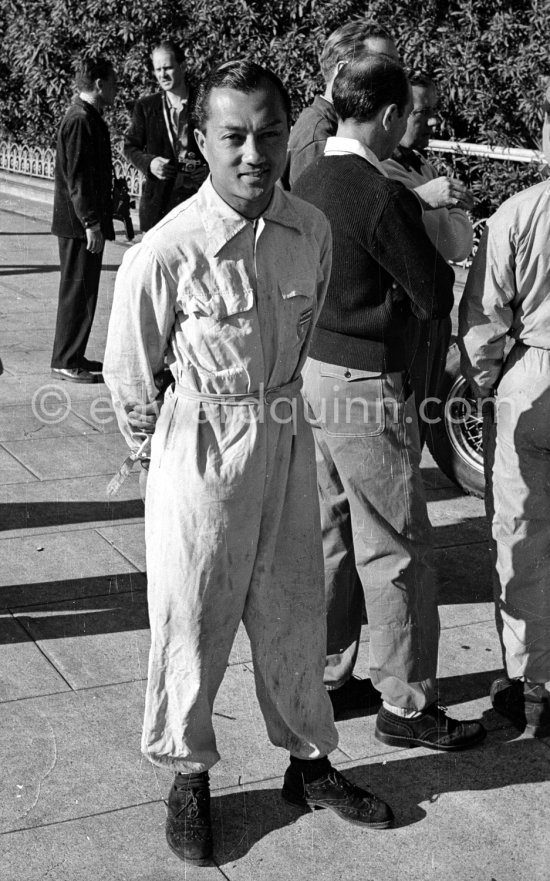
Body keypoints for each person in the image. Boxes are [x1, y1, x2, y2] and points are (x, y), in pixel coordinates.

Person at [104, 60, 394, 867]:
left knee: (296, 604)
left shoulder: (311, 230)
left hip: (284, 428)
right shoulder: (166, 250)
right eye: (233, 135)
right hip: (201, 447)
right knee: (193, 614)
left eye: (269, 133)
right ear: (202, 141)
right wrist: (154, 456)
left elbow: (303, 333)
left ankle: (309, 763)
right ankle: (188, 775)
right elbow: (130, 369)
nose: (255, 152)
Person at [293, 55, 486, 750]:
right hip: (368, 385)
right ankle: (405, 703)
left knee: (331, 533)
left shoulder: (310, 177)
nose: (412, 123)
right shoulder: (379, 195)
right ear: (385, 116)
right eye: (407, 112)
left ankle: (328, 671)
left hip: (315, 374)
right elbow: (434, 292)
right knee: (398, 547)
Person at [458, 84, 550, 739]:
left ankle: (531, 686)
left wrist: (484, 385)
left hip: (532, 376)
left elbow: (486, 322)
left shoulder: (519, 212)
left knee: (522, 536)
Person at [383, 72, 474, 443]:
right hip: (409, 319)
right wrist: (442, 205)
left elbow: (457, 241)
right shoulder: (388, 172)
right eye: (422, 112)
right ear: (398, 114)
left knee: (422, 420)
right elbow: (454, 241)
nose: (432, 121)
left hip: (432, 317)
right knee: (407, 432)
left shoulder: (420, 167)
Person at [50, 56, 117, 383]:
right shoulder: (80, 120)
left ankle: (72, 354)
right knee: (77, 292)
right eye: (113, 82)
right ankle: (65, 359)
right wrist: (91, 223)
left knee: (83, 291)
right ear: (100, 84)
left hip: (81, 223)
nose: (117, 88)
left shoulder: (87, 116)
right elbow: (77, 177)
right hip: (79, 226)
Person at [285, 20, 399, 189]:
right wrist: (419, 199)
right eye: (382, 65)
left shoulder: (335, 125)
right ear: (342, 72)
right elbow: (330, 209)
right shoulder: (318, 139)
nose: (394, 77)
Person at [124, 40, 207, 233]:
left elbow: (220, 146)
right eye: (158, 69)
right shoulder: (146, 107)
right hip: (157, 207)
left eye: (168, 68)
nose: (162, 75)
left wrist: (209, 170)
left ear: (183, 66)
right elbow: (129, 147)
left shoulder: (204, 104)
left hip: (197, 203)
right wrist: (149, 163)